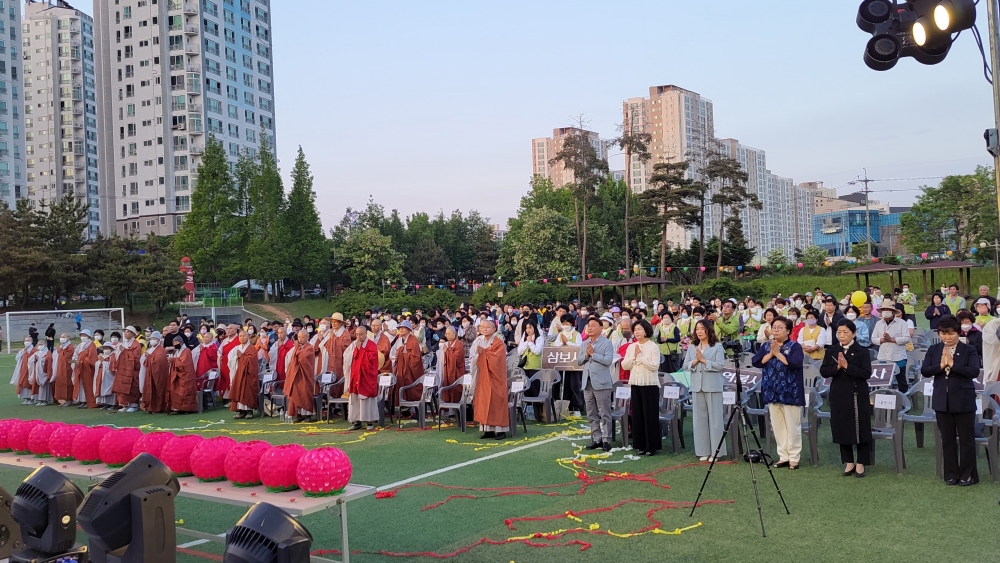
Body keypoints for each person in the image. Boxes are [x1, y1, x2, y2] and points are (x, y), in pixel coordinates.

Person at [922, 316, 982, 485]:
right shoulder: (934, 349)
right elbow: (925, 370)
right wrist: (941, 366)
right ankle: (951, 473)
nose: (947, 337)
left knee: (966, 439)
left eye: (950, 333)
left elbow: (974, 371)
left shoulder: (968, 349)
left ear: (958, 332)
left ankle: (968, 474)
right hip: (942, 400)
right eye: (943, 333)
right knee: (947, 439)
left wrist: (953, 364)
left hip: (963, 400)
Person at [820, 320, 873, 477]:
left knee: (860, 427)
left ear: (854, 334)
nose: (842, 335)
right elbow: (824, 371)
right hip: (838, 392)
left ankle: (861, 462)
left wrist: (847, 367)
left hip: (857, 393)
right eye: (839, 332)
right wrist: (836, 367)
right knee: (841, 426)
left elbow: (866, 373)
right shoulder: (832, 350)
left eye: (846, 332)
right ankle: (848, 461)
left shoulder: (862, 351)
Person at [753, 316, 805, 469]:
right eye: (774, 327)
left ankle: (794, 457)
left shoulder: (794, 346)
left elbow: (795, 363)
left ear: (788, 330)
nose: (775, 330)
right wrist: (771, 353)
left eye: (780, 327)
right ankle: (783, 456)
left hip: (790, 391)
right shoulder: (766, 345)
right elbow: (756, 361)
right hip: (771, 390)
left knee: (792, 426)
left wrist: (779, 354)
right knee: (777, 426)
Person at [685, 319, 726, 461]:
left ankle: (717, 452)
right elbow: (685, 365)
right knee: (699, 419)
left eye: (702, 329)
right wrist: (696, 361)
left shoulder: (717, 347)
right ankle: (703, 450)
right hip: (697, 386)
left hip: (713, 386)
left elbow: (720, 365)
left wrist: (704, 360)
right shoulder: (692, 346)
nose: (699, 331)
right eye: (697, 329)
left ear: (709, 330)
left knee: (715, 420)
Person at [621, 319, 662, 456]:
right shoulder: (631, 347)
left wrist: (640, 356)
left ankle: (651, 446)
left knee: (649, 415)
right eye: (635, 330)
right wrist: (634, 357)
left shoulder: (653, 346)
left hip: (650, 385)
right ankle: (640, 445)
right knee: (637, 415)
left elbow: (654, 366)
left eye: (639, 329)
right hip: (635, 384)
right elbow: (625, 365)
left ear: (646, 330)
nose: (637, 332)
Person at [578, 317, 614, 452]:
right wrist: (587, 355)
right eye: (588, 326)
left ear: (600, 328)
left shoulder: (607, 343)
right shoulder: (584, 343)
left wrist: (593, 354)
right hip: (587, 382)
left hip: (602, 382)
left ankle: (606, 439)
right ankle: (596, 438)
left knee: (604, 412)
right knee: (591, 412)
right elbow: (579, 361)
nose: (590, 328)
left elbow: (608, 361)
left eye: (593, 325)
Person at [470, 319, 509, 440]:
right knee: (483, 402)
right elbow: (472, 357)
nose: (484, 329)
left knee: (496, 402)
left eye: (487, 327)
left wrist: (484, 353)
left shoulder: (499, 342)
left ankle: (500, 430)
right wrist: (479, 355)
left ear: (494, 329)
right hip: (482, 376)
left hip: (495, 377)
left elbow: (498, 359)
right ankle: (487, 430)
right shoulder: (478, 340)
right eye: (482, 327)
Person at [345, 325, 379, 431]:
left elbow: (371, 360)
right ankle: (356, 421)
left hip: (366, 376)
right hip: (356, 375)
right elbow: (354, 359)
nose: (358, 336)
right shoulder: (355, 345)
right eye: (357, 334)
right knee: (355, 398)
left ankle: (369, 422)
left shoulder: (371, 345)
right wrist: (358, 349)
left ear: (365, 334)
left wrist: (362, 349)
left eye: (361, 334)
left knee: (366, 398)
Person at [871, 300, 911, 392]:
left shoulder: (902, 323)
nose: (886, 311)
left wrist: (892, 339)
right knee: (882, 381)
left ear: (893, 311)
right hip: (883, 357)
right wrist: (881, 340)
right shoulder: (878, 323)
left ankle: (902, 400)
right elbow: (873, 338)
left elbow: (906, 338)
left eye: (888, 309)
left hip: (898, 357)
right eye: (884, 309)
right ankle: (883, 399)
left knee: (901, 380)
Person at [552, 313, 584, 416]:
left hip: (574, 365)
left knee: (575, 386)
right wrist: (562, 343)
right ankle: (566, 407)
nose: (565, 325)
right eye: (563, 323)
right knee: (564, 386)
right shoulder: (560, 335)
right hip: (562, 364)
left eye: (567, 323)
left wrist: (568, 342)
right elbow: (556, 346)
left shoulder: (577, 334)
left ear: (572, 323)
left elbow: (579, 347)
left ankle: (576, 408)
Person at [284, 328, 318, 423]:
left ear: (307, 337)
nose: (301, 339)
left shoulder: (309, 347)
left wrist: (298, 348)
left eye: (303, 337)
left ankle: (307, 415)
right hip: (296, 374)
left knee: (305, 393)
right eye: (299, 337)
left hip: (305, 374)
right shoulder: (297, 347)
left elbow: (304, 358)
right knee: (296, 393)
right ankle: (298, 414)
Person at [390, 320, 425, 405]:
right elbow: (392, 352)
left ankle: (410, 408)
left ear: (409, 330)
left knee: (410, 387)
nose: (401, 330)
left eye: (403, 328)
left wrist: (402, 356)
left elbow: (415, 358)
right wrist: (396, 356)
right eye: (400, 328)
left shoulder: (413, 341)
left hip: (410, 370)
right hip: (400, 368)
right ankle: (403, 407)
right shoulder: (398, 340)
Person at [228, 330, 259, 419]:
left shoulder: (251, 348)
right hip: (239, 373)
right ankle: (241, 411)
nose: (242, 338)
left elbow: (252, 361)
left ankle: (249, 411)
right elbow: (230, 359)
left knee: (247, 391)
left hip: (248, 374)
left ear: (248, 337)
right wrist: (237, 357)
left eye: (244, 336)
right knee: (238, 391)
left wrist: (242, 356)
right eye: (240, 336)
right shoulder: (236, 348)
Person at [112, 326, 142, 413]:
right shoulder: (123, 343)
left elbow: (136, 358)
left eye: (128, 332)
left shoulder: (136, 344)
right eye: (125, 332)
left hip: (131, 370)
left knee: (132, 387)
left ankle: (133, 405)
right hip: (122, 369)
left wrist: (125, 351)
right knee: (122, 387)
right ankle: (124, 404)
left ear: (133, 334)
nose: (125, 333)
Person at [167, 338, 198, 415]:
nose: (175, 344)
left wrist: (173, 360)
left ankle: (187, 409)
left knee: (186, 392)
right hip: (178, 374)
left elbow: (184, 364)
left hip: (186, 375)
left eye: (176, 342)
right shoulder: (177, 351)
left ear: (181, 343)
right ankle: (179, 407)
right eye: (173, 342)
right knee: (176, 390)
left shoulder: (186, 351)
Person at [141, 331, 169, 414]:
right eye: (151, 339)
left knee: (158, 390)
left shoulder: (161, 350)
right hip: (149, 373)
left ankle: (159, 407)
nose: (152, 340)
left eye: (154, 339)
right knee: (149, 389)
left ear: (158, 340)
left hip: (158, 374)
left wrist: (149, 356)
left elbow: (158, 360)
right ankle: (150, 407)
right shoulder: (150, 349)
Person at [439, 326, 466, 404]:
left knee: (456, 389)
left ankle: (456, 411)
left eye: (449, 334)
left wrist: (447, 351)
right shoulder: (448, 344)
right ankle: (449, 409)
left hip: (457, 371)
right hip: (448, 370)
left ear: (454, 333)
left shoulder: (459, 344)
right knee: (447, 387)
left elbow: (457, 358)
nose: (447, 336)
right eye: (446, 334)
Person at [72, 329, 98, 409]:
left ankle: (89, 401)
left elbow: (91, 357)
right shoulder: (80, 345)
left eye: (84, 335)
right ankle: (82, 401)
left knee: (88, 385)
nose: (83, 337)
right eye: (82, 335)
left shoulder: (91, 345)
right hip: (80, 368)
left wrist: (82, 362)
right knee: (80, 385)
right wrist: (75, 361)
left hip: (88, 369)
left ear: (88, 336)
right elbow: (75, 354)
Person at [29, 340, 53, 406]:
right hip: (38, 372)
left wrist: (40, 359)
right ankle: (40, 400)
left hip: (44, 372)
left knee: (45, 387)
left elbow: (49, 359)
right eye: (39, 344)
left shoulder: (48, 352)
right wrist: (34, 359)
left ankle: (45, 400)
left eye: (41, 344)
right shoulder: (37, 353)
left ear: (44, 345)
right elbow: (30, 360)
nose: (40, 346)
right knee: (38, 387)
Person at [53, 333, 74, 406]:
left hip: (67, 368)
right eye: (61, 337)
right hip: (60, 368)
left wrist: (60, 351)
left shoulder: (70, 347)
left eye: (64, 337)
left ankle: (69, 399)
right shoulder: (62, 346)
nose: (62, 338)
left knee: (67, 383)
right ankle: (63, 399)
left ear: (68, 338)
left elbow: (68, 357)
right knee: (61, 383)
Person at [12, 337, 35, 404]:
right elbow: (17, 358)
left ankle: (31, 398)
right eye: (25, 340)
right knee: (23, 383)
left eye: (28, 340)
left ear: (31, 341)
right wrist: (23, 354)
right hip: (22, 369)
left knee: (29, 383)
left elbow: (33, 359)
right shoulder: (23, 350)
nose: (26, 342)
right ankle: (26, 398)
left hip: (30, 370)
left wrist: (26, 354)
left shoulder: (33, 350)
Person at [94, 344, 116, 409]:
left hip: (110, 375)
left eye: (107, 348)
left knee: (110, 388)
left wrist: (103, 362)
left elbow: (112, 364)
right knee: (102, 387)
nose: (105, 350)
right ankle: (105, 403)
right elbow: (97, 363)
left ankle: (112, 404)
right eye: (104, 348)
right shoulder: (103, 355)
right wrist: (100, 362)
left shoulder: (113, 356)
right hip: (101, 374)